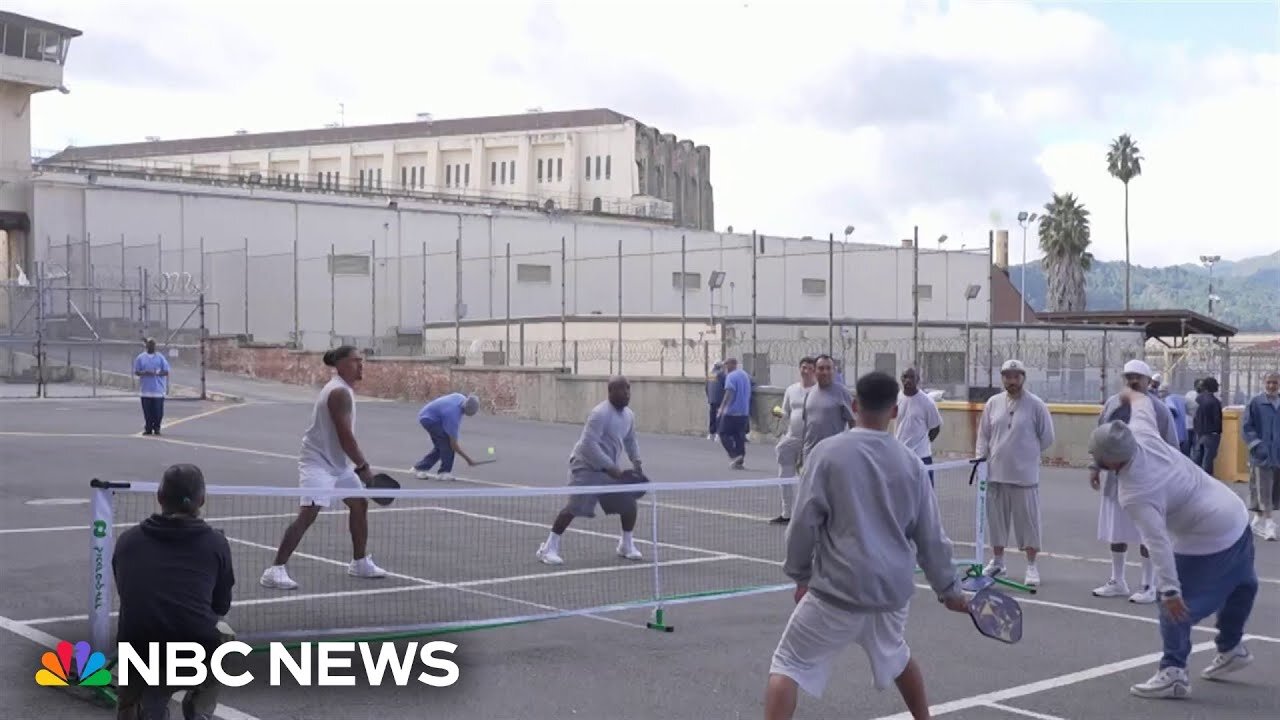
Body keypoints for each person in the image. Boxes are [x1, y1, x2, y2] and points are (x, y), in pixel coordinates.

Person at [764, 371, 968, 720]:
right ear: (894, 412)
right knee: (898, 656)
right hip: (890, 593)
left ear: (854, 405)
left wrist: (800, 575)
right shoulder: (912, 464)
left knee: (788, 665)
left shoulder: (827, 454)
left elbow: (802, 524)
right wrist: (949, 590)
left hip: (837, 592)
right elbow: (931, 536)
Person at [1088, 389, 1257, 699]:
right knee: (1241, 583)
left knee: (1174, 607)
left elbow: (1157, 543)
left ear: (1110, 463)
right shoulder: (1140, 433)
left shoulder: (1134, 492)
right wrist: (1129, 393)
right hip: (1235, 513)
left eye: (1096, 457)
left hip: (1207, 534)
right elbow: (1140, 402)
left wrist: (1169, 590)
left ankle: (1173, 672)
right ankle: (1232, 647)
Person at [260, 346, 387, 590]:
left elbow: (343, 441)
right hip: (317, 462)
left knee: (359, 505)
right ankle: (274, 570)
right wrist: (364, 468)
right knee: (308, 513)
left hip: (338, 465)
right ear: (339, 365)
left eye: (361, 361)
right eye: (354, 361)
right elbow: (345, 437)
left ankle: (359, 563)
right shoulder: (338, 392)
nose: (361, 366)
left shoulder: (344, 389)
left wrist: (354, 467)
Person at [113, 464, 234, 720]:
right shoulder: (215, 544)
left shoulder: (128, 541)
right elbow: (221, 605)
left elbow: (127, 592)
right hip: (192, 650)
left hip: (138, 649)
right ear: (201, 499)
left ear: (159, 497)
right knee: (225, 636)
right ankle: (199, 708)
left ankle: (133, 705)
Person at [1090, 360, 1180, 604]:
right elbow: (1100, 438)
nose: (1132, 381)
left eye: (1138, 377)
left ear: (1148, 381)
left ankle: (1150, 585)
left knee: (1147, 533)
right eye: (1128, 376)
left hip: (1147, 484)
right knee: (1115, 531)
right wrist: (1095, 468)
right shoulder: (1112, 404)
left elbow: (1171, 445)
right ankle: (1117, 580)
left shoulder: (1159, 409)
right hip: (1115, 481)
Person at [537, 376, 644, 565]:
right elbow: (588, 445)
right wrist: (611, 468)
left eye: (628, 389)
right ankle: (548, 548)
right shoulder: (600, 414)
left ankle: (626, 545)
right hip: (585, 466)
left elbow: (630, 440)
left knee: (629, 504)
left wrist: (636, 461)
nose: (627, 393)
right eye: (621, 389)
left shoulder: (629, 415)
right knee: (574, 507)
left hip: (609, 469)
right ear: (610, 392)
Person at [976, 359, 1056, 587]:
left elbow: (1047, 437)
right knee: (996, 522)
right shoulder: (993, 403)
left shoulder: (1036, 405)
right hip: (996, 473)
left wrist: (1026, 454)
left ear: (1023, 378)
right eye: (1007, 376)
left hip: (1024, 477)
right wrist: (981, 459)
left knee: (1028, 524)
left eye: (1016, 376)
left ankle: (1031, 566)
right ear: (1002, 378)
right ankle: (998, 562)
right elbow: (984, 435)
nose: (1012, 381)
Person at [771, 357, 816, 524]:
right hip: (792, 438)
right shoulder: (791, 389)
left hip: (811, 441)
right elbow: (786, 412)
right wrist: (778, 413)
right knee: (784, 476)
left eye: (810, 368)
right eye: (803, 368)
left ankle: (807, 514)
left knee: (809, 479)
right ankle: (786, 513)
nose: (806, 371)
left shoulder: (819, 391)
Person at [1242, 371, 1280, 542]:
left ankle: (1257, 520)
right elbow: (1247, 427)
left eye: (1275, 383)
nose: (1272, 386)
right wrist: (1258, 446)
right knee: (1262, 487)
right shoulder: (1256, 403)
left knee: (1274, 488)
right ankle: (1270, 523)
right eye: (1269, 382)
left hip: (1277, 453)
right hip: (1262, 454)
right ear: (1264, 383)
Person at [799, 355, 855, 467]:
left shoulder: (842, 393)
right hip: (810, 455)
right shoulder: (809, 394)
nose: (825, 372)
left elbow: (854, 423)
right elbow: (807, 426)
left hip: (834, 455)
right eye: (821, 368)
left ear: (834, 370)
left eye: (829, 368)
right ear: (814, 371)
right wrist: (801, 454)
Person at [413, 392, 481, 481]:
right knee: (447, 445)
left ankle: (420, 468)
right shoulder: (452, 415)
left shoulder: (460, 397)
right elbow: (454, 445)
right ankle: (443, 473)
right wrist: (468, 459)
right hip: (429, 419)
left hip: (429, 414)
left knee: (441, 446)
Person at [894, 368, 943, 486]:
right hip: (901, 455)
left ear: (918, 380)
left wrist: (924, 443)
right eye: (905, 377)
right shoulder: (897, 398)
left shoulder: (927, 402)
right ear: (901, 379)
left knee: (925, 495)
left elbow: (935, 427)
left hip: (922, 457)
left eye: (911, 377)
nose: (908, 380)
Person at [717, 357, 753, 469]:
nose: (725, 367)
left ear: (732, 364)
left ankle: (734, 455)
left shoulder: (731, 377)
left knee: (723, 433)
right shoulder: (744, 375)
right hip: (744, 412)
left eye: (726, 364)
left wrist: (722, 408)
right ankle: (740, 460)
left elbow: (729, 393)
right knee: (739, 436)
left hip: (731, 412)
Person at [133, 337, 171, 436]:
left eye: (153, 345)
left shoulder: (160, 358)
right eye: (149, 344)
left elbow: (166, 371)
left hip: (158, 390)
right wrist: (144, 373)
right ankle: (148, 428)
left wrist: (157, 373)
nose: (151, 346)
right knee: (147, 412)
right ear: (146, 346)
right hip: (145, 390)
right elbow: (137, 371)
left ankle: (157, 427)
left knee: (158, 412)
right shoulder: (140, 358)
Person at [1192, 377, 1223, 476]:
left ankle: (1196, 480)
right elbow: (1217, 420)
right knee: (1208, 461)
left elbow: (1194, 416)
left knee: (1197, 459)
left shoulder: (1198, 399)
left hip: (1199, 433)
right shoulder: (1215, 402)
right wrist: (1218, 432)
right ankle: (1207, 483)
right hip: (1212, 434)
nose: (1218, 386)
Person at [1161, 383, 1190, 456]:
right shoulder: (1181, 398)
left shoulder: (1169, 399)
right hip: (1183, 433)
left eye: (1161, 391)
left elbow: (1173, 410)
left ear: (1166, 391)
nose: (1160, 394)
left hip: (1175, 432)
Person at [707, 361, 726, 440]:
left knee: (712, 415)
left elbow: (706, 387)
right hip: (720, 399)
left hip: (712, 399)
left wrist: (709, 397)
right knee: (719, 416)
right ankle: (718, 434)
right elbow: (726, 385)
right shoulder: (721, 375)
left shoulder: (711, 374)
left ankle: (711, 433)